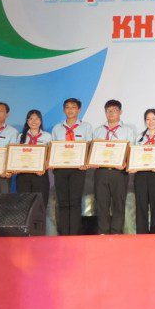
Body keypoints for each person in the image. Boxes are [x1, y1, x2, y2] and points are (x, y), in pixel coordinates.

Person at [51, 98, 92, 236]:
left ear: (79, 110)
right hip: (60, 170)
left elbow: (89, 147)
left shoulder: (86, 127)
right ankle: (64, 233)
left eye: (73, 107)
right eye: (67, 107)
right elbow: (53, 149)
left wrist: (86, 162)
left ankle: (74, 234)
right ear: (64, 110)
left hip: (78, 169)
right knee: (62, 202)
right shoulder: (57, 128)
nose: (70, 110)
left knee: (75, 202)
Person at [93, 99, 135, 234]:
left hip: (119, 172)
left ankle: (116, 232)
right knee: (101, 204)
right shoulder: (98, 131)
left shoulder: (128, 131)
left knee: (119, 204)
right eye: (108, 111)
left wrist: (126, 163)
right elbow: (93, 151)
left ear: (120, 112)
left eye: (114, 110)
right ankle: (103, 232)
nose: (111, 113)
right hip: (101, 171)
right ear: (105, 112)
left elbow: (131, 151)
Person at [131, 109, 155, 234]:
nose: (151, 122)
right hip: (140, 174)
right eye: (148, 119)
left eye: (154, 119)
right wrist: (132, 165)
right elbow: (134, 155)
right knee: (141, 205)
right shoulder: (139, 137)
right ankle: (142, 235)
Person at [14, 109, 51, 199]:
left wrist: (44, 167)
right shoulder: (20, 136)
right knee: (24, 202)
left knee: (40, 202)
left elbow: (50, 156)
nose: (34, 121)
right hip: (23, 174)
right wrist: (14, 167)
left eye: (37, 118)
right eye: (31, 118)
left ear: (41, 121)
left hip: (40, 175)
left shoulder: (47, 136)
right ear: (27, 121)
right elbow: (15, 154)